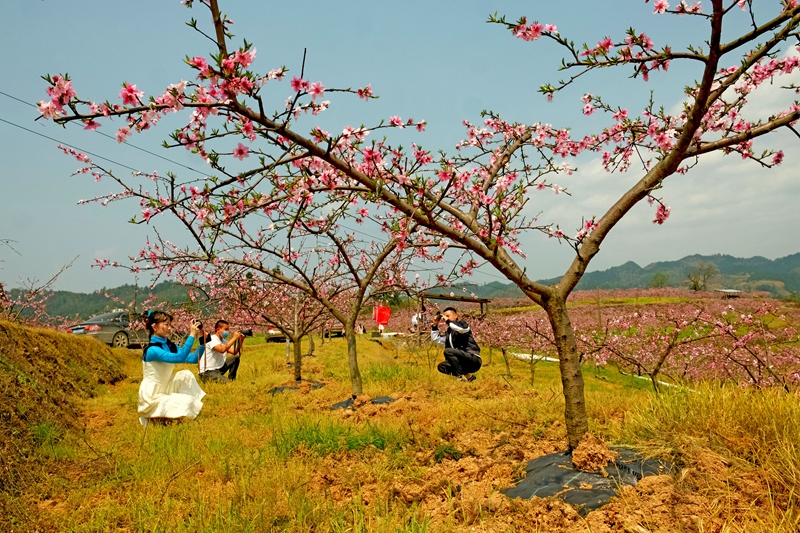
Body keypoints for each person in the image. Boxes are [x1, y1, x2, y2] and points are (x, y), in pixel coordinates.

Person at [138, 310, 206, 427]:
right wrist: (191, 335)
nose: (170, 328)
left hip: (166, 388)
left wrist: (201, 339)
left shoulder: (170, 346)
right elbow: (179, 358)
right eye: (166, 325)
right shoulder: (152, 350)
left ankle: (168, 416)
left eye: (170, 325)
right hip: (152, 396)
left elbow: (193, 359)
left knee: (186, 375)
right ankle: (157, 417)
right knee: (187, 402)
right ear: (154, 326)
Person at [431, 307, 481, 382]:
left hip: (473, 359)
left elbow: (460, 329)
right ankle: (469, 377)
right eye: (445, 316)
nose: (445, 318)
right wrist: (435, 325)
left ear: (456, 316)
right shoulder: (449, 332)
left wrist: (448, 321)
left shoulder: (462, 324)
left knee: (448, 351)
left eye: (448, 316)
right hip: (462, 362)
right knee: (441, 366)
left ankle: (460, 377)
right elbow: (436, 339)